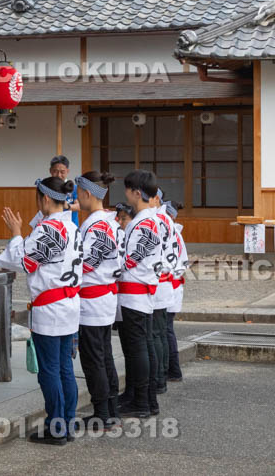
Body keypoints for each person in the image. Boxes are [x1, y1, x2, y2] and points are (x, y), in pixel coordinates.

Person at [0, 176, 81, 445]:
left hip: (51, 307)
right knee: (64, 367)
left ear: (45, 199)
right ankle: (66, 422)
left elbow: (23, 262)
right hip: (69, 303)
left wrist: (15, 233)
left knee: (50, 369)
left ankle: (56, 427)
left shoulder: (50, 230)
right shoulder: (71, 228)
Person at [74, 171, 123, 429]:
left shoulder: (94, 226)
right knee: (105, 357)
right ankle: (111, 410)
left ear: (88, 193)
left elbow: (86, 264)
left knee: (94, 359)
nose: (76, 198)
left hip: (92, 301)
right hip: (106, 296)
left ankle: (102, 413)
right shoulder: (113, 223)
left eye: (78, 193)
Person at [116, 170, 163, 418]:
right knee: (140, 347)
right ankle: (141, 397)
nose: (125, 194)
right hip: (140, 291)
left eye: (127, 190)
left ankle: (143, 401)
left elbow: (128, 260)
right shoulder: (148, 220)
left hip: (134, 292)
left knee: (137, 349)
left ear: (136, 193)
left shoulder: (143, 222)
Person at [149, 189, 174, 396]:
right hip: (164, 282)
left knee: (156, 332)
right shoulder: (165, 218)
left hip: (157, 282)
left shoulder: (157, 219)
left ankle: (158, 378)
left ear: (156, 199)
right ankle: (162, 374)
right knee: (161, 331)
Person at [165, 202, 189, 382]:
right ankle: (172, 369)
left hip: (169, 286)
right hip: (172, 285)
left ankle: (173, 369)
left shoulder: (171, 233)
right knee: (166, 330)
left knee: (166, 330)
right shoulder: (174, 232)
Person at [30, 155, 81, 228]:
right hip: (50, 226)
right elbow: (40, 207)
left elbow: (79, 206)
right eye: (55, 171)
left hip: (71, 226)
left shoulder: (73, 188)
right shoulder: (45, 187)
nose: (59, 175)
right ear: (50, 170)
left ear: (67, 171)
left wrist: (68, 206)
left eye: (62, 172)